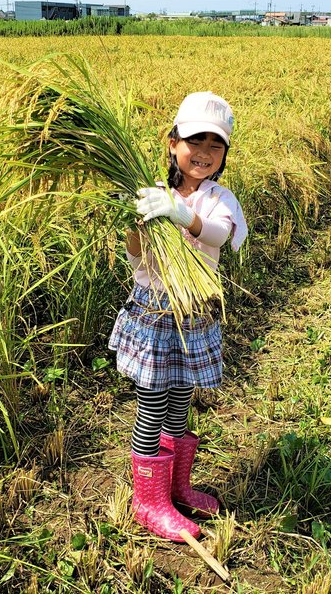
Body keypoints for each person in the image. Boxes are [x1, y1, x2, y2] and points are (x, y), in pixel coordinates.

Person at [108, 91, 248, 542]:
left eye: (215, 145)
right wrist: (133, 225)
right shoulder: (153, 194)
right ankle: (148, 502)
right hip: (155, 312)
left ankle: (176, 487)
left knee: (180, 404)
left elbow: (219, 234)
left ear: (225, 153)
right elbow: (137, 257)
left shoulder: (217, 198)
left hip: (194, 316)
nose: (204, 153)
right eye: (194, 141)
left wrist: (180, 213)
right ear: (172, 143)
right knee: (151, 408)